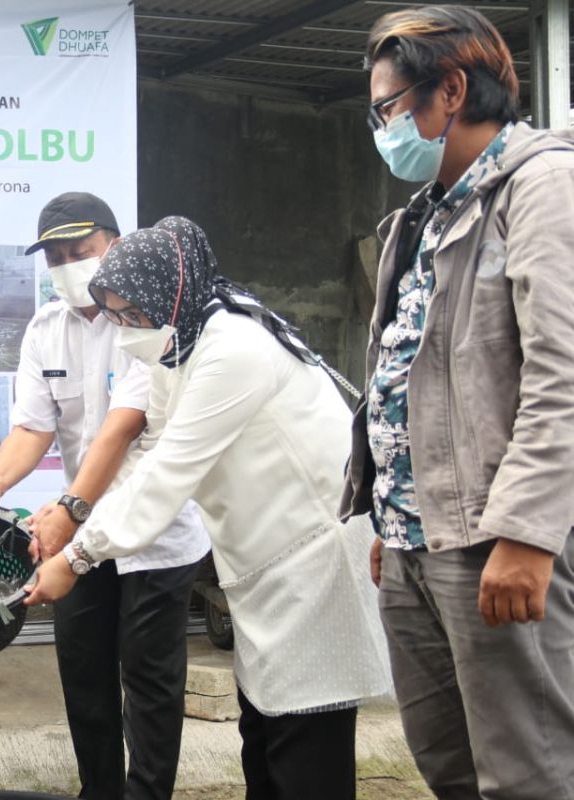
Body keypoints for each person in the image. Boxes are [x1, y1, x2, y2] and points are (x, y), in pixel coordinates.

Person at [27, 217, 391, 800]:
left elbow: (171, 472)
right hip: (264, 567)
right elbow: (151, 459)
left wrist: (76, 558)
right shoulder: (181, 343)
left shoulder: (234, 349)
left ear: (167, 293)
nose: (124, 332)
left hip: (312, 562)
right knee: (263, 733)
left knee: (305, 748)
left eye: (131, 316)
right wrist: (76, 519)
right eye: (115, 317)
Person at [342, 7, 574, 797]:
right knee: (447, 762)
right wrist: (390, 511)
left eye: (387, 107)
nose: (381, 127)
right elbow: (408, 369)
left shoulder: (543, 188)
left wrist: (527, 534)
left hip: (497, 540)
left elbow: (562, 375)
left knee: (528, 771)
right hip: (418, 541)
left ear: (448, 91)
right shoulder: (420, 216)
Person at [0, 193, 211, 800]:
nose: (71, 266)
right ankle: (99, 791)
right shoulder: (46, 328)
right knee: (83, 668)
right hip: (80, 531)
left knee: (150, 679)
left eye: (83, 252)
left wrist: (70, 509)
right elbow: (32, 428)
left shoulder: (146, 317)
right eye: (58, 258)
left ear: (114, 248)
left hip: (153, 529)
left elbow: (123, 426)